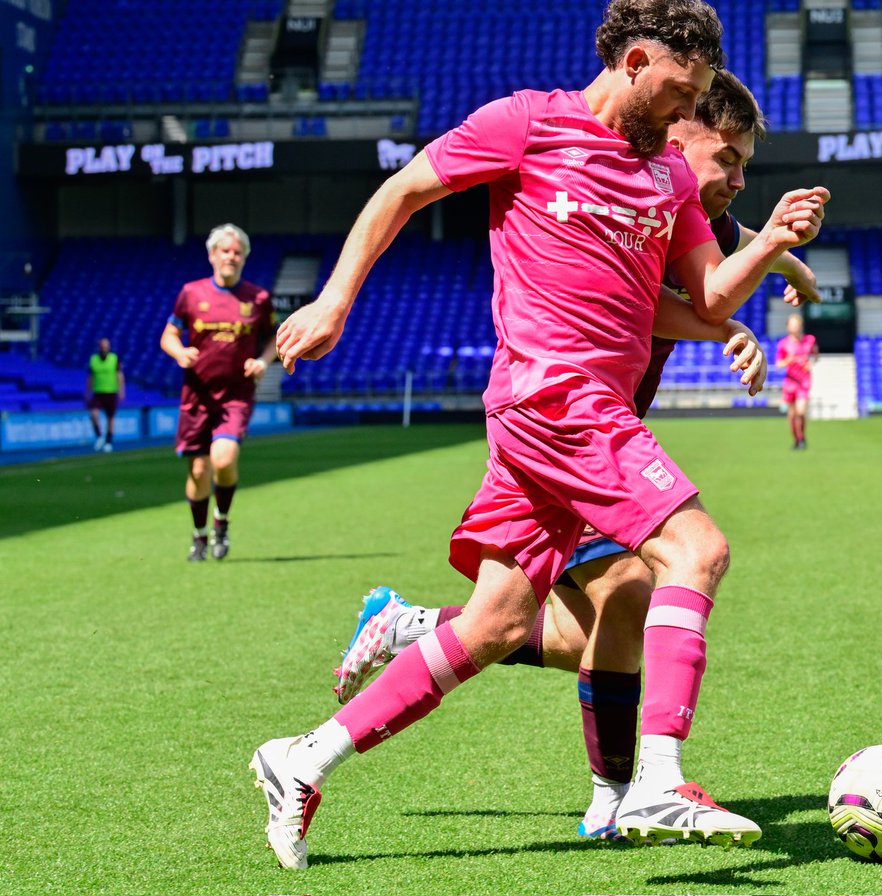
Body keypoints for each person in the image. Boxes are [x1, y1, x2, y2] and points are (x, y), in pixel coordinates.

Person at [251, 0, 828, 869]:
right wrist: (334, 299)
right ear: (635, 63)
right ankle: (655, 781)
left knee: (495, 624)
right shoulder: (526, 125)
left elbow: (708, 296)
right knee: (695, 551)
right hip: (555, 395)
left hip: (572, 415)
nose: (687, 112)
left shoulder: (668, 179)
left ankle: (302, 759)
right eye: (681, 92)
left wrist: (775, 242)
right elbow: (403, 190)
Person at [159, 223, 276, 562]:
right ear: (212, 255)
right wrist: (180, 353)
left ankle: (221, 522)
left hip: (236, 395)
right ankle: (199, 536)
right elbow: (168, 335)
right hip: (197, 396)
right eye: (225, 251)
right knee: (198, 470)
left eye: (237, 252)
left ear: (245, 258)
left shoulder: (258, 298)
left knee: (223, 459)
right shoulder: (191, 293)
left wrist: (263, 361)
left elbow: (274, 338)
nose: (231, 257)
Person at [776, 312, 818, 449]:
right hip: (790, 382)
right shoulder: (784, 344)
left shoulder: (810, 340)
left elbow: (815, 355)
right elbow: (779, 363)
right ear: (788, 327)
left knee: (801, 411)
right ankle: (796, 438)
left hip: (804, 381)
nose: (795, 327)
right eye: (792, 325)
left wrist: (811, 362)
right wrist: (788, 360)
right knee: (792, 415)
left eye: (797, 325)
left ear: (801, 326)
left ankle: (802, 437)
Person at [85, 337, 124, 452]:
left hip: (111, 391)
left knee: (110, 418)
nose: (104, 348)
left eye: (106, 346)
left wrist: (121, 390)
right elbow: (91, 376)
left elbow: (119, 375)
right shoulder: (94, 359)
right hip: (98, 391)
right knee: (93, 414)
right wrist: (88, 391)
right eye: (102, 346)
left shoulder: (114, 358)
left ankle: (108, 442)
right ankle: (99, 436)